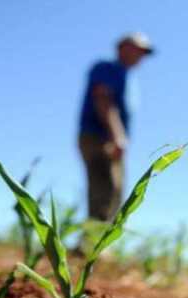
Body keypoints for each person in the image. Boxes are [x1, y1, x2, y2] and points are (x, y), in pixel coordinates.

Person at [78, 33, 154, 221]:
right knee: (105, 187)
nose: (142, 56)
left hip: (109, 137)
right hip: (99, 137)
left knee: (114, 188)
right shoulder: (107, 68)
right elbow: (103, 99)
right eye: (139, 50)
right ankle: (93, 243)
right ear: (123, 48)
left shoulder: (126, 77)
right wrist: (117, 136)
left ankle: (97, 241)